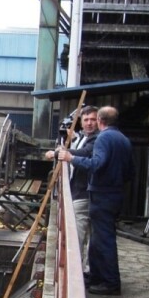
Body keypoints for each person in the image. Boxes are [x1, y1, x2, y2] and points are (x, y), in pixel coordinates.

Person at [57, 106, 133, 296]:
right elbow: (130, 171)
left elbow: (96, 164)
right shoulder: (123, 139)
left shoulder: (103, 138)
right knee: (98, 240)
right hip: (114, 193)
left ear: (100, 121)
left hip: (102, 194)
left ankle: (111, 282)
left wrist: (71, 158)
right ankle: (97, 276)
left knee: (104, 240)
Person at [45, 105, 98, 275]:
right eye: (86, 120)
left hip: (84, 193)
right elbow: (79, 144)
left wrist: (56, 153)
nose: (89, 123)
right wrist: (73, 138)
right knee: (84, 233)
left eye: (93, 120)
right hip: (79, 190)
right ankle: (83, 268)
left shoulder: (97, 139)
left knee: (79, 233)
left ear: (99, 121)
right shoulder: (84, 136)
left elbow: (84, 152)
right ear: (81, 123)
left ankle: (77, 271)